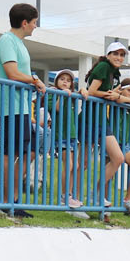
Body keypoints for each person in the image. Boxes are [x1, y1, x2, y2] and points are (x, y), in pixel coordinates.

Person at [0, 2, 47, 217]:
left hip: (21, 107)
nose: (35, 27)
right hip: (9, 107)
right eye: (34, 23)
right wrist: (35, 80)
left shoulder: (20, 43)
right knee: (11, 154)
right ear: (25, 23)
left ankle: (13, 200)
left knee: (25, 152)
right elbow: (12, 73)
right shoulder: (7, 40)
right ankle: (6, 202)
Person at [84, 42, 130, 216]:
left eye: (122, 55)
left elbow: (108, 93)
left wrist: (116, 94)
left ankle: (100, 198)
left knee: (115, 160)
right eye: (116, 54)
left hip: (101, 119)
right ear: (108, 54)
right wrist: (114, 95)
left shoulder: (113, 72)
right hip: (93, 119)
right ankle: (93, 195)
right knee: (86, 163)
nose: (119, 57)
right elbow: (92, 90)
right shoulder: (103, 66)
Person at [44, 69, 83, 210]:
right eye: (62, 79)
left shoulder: (71, 95)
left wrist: (81, 91)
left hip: (71, 135)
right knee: (69, 165)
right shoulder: (53, 92)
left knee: (76, 166)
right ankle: (64, 196)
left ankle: (70, 195)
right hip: (61, 135)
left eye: (68, 80)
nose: (65, 82)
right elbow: (56, 108)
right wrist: (62, 95)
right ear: (56, 81)